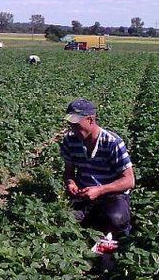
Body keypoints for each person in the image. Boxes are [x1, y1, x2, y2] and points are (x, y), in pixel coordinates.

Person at [60, 98, 134, 238]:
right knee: (65, 220)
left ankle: (115, 243)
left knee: (115, 219)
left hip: (112, 194)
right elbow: (68, 172)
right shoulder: (69, 140)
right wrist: (71, 183)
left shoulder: (113, 143)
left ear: (90, 120)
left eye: (76, 125)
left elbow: (129, 181)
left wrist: (100, 190)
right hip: (84, 194)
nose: (73, 129)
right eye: (71, 125)